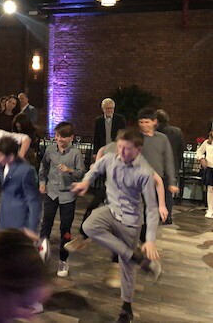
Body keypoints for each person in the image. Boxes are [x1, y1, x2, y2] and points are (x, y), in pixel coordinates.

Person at [73, 127, 162, 323]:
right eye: (120, 147)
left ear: (138, 150)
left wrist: (150, 240)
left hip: (131, 220)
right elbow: (94, 170)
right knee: (89, 226)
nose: (121, 152)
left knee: (126, 266)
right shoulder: (110, 158)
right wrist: (85, 183)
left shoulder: (144, 172)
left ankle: (126, 308)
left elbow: (152, 209)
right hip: (110, 210)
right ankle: (135, 255)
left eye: (127, 149)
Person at [38, 121, 85, 277]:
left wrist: (70, 170)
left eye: (63, 136)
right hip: (51, 193)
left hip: (68, 196)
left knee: (65, 229)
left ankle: (63, 261)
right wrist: (42, 183)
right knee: (45, 226)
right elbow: (43, 167)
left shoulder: (76, 153)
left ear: (71, 137)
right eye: (57, 135)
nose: (59, 139)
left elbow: (81, 174)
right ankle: (41, 257)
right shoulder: (50, 150)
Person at [137, 108, 178, 224]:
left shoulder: (162, 139)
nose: (144, 125)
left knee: (153, 214)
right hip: (139, 180)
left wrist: (171, 182)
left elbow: (168, 160)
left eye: (147, 122)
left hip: (157, 180)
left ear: (154, 122)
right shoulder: (136, 138)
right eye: (141, 122)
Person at [0, 137, 41, 235]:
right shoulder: (2, 165)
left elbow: (33, 201)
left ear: (11, 156)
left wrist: (31, 228)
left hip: (18, 222)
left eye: (0, 155)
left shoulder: (25, 171)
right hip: (4, 217)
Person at [197, 131, 213, 218]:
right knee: (210, 189)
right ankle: (210, 209)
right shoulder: (207, 142)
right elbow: (199, 152)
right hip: (210, 168)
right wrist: (201, 158)